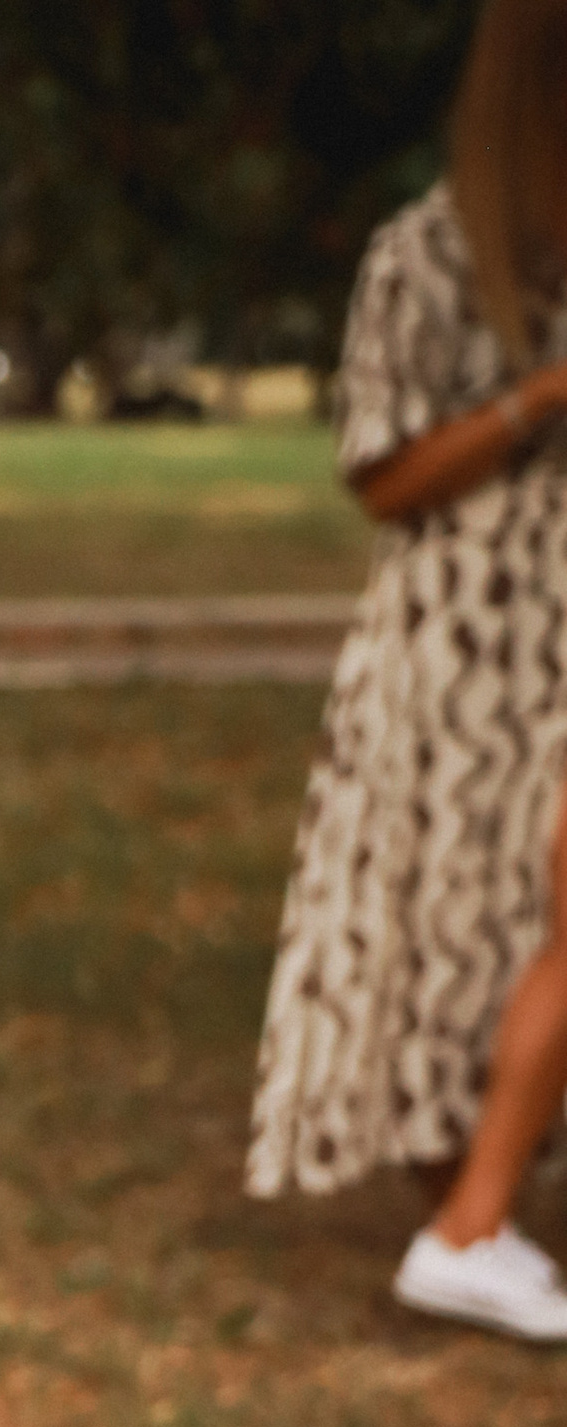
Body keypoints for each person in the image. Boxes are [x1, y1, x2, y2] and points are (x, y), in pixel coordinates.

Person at [249, 0, 567, 1341]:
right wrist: (541, 396)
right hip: (465, 647)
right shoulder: (426, 255)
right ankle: (471, 1222)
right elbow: (381, 476)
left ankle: (473, 1223)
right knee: (455, 937)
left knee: (528, 927)